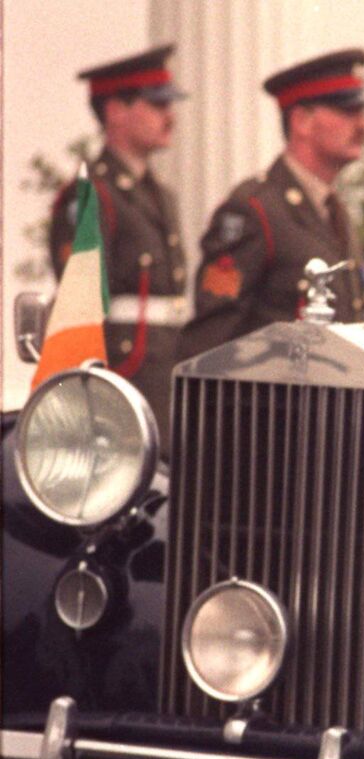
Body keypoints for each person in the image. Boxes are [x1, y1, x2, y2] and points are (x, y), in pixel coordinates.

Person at [177, 49, 364, 362]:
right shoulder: (253, 210)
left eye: (363, 112)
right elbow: (211, 343)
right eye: (348, 111)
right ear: (301, 120)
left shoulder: (333, 211)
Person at [49, 45, 188, 454]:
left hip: (164, 382)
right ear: (115, 110)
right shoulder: (91, 194)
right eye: (157, 104)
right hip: (122, 386)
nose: (170, 116)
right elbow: (82, 310)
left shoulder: (161, 195)